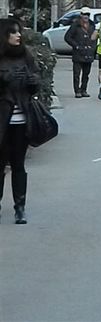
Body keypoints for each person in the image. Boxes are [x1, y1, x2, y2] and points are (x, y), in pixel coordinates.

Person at [0, 18, 40, 224]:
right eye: (14, 32)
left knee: (18, 165)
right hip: (2, 121)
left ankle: (20, 207)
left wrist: (33, 83)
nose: (18, 36)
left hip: (21, 120)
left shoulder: (26, 55)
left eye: (19, 32)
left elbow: (34, 83)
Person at [64, 7, 95, 98]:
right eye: (84, 14)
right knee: (76, 74)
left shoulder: (92, 25)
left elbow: (95, 37)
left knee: (86, 74)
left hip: (89, 53)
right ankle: (77, 91)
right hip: (78, 53)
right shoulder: (75, 25)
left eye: (88, 15)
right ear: (81, 15)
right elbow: (67, 37)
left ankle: (84, 90)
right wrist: (76, 46)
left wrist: (93, 48)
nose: (86, 16)